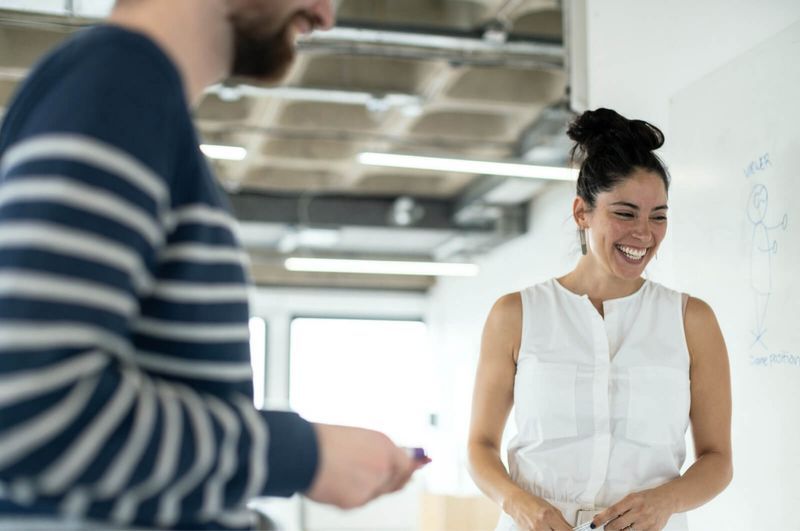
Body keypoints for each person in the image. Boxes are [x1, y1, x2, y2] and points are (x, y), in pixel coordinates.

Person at [0, 1, 425, 529]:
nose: (326, 14)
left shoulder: (130, 91)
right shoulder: (118, 81)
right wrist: (302, 455)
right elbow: (30, 411)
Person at [467, 108, 733, 531]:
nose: (644, 234)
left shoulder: (692, 320)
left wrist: (665, 501)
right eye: (625, 213)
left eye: (658, 216)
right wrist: (520, 505)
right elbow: (480, 447)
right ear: (581, 213)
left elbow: (718, 460)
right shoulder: (516, 314)